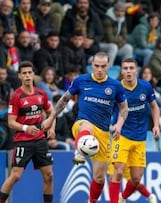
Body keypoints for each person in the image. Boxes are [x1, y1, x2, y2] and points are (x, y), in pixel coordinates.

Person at [42, 52, 128, 203]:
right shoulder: (81, 81)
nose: (99, 69)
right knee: (86, 127)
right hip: (82, 124)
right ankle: (80, 151)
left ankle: (91, 201)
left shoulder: (115, 86)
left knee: (100, 178)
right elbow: (64, 99)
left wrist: (119, 125)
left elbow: (124, 109)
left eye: (103, 66)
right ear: (91, 65)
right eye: (96, 66)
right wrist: (51, 117)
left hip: (103, 133)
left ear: (108, 66)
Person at [0, 61, 55, 203]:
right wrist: (25, 128)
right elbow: (11, 122)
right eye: (24, 73)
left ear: (34, 74)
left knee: (49, 176)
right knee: (15, 175)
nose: (28, 76)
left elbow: (51, 112)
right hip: (23, 141)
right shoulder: (16, 96)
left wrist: (51, 128)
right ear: (19, 76)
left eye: (30, 72)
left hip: (40, 140)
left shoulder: (41, 94)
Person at [108, 58, 159, 203]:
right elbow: (109, 110)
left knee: (136, 179)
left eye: (131, 68)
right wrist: (114, 124)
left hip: (140, 138)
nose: (128, 71)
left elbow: (155, 107)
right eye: (125, 68)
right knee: (118, 172)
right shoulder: (117, 89)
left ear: (136, 70)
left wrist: (156, 125)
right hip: (121, 136)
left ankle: (122, 197)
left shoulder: (145, 87)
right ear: (121, 71)